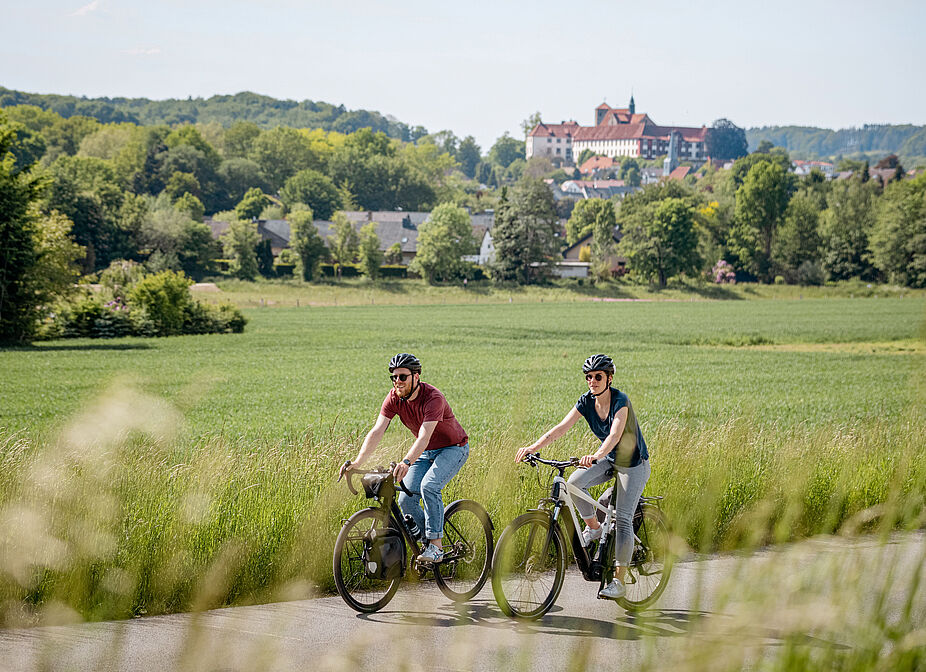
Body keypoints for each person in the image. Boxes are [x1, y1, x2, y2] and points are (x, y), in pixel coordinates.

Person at [515, 354, 650, 600]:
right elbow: (560, 428)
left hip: (633, 464)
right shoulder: (586, 401)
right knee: (574, 483)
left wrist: (596, 455)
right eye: (588, 377)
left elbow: (615, 436)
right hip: (609, 460)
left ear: (609, 378)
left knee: (622, 519)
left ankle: (619, 581)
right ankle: (595, 529)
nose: (592, 381)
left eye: (598, 376)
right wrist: (533, 448)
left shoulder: (621, 401)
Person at [342, 353, 469, 563]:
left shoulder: (433, 397)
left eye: (402, 376)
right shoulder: (394, 397)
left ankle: (436, 546)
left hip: (453, 448)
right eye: (393, 377)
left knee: (429, 486)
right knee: (406, 499)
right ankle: (428, 542)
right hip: (426, 452)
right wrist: (357, 462)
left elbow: (424, 437)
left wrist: (407, 461)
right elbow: (377, 431)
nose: (397, 382)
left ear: (416, 376)